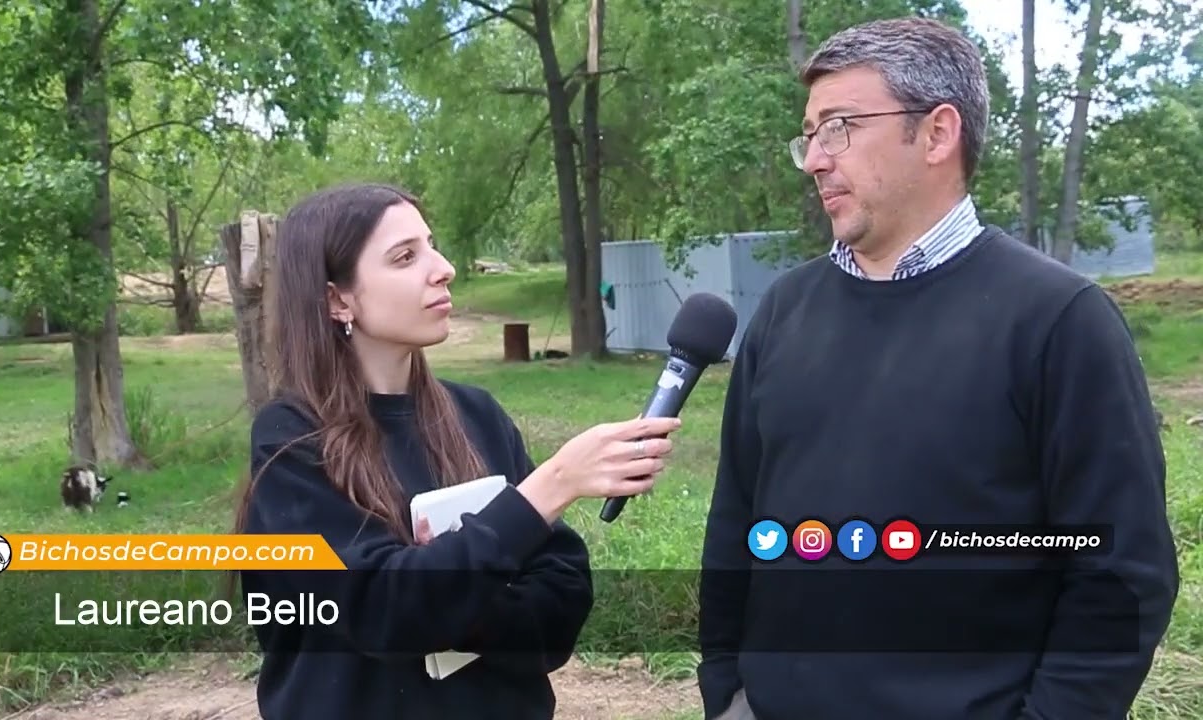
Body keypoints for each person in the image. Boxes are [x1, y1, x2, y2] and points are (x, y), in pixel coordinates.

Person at [697, 16, 1179, 720]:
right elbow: (735, 521)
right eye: (810, 134)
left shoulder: (1058, 320)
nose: (814, 160)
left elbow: (1120, 574)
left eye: (839, 127)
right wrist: (727, 691)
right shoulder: (784, 311)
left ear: (937, 133)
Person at [232, 182, 682, 719]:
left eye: (432, 245)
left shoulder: (476, 416)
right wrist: (553, 484)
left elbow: (563, 596)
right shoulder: (293, 440)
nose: (442, 268)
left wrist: (449, 601)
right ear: (336, 298)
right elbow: (378, 609)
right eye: (405, 257)